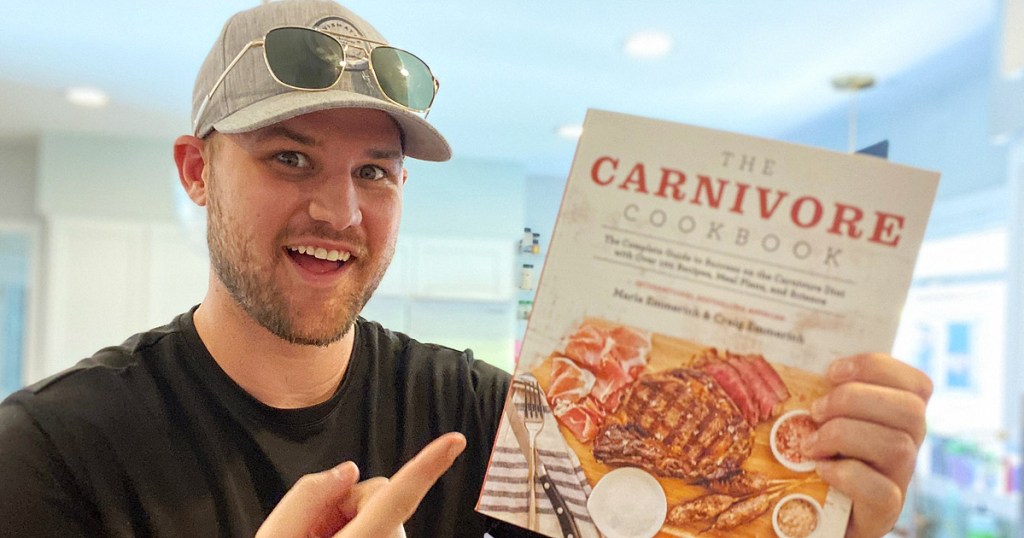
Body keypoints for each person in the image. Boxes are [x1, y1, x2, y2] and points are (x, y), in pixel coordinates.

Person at [0, 1, 932, 537]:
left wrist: (832, 519)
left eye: (376, 172)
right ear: (197, 171)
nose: (341, 212)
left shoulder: (500, 418)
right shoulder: (50, 451)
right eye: (290, 159)